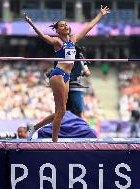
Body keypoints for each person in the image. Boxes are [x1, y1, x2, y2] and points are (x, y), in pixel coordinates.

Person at [24, 5, 110, 142]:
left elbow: (88, 27)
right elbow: (43, 36)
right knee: (61, 111)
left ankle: (34, 127)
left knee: (61, 112)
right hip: (58, 74)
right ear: (57, 30)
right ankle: (54, 141)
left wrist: (100, 14)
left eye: (66, 25)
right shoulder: (57, 41)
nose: (66, 27)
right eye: (62, 26)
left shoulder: (73, 40)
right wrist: (31, 23)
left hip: (67, 77)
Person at [66, 44, 90, 118]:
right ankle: (81, 127)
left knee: (66, 111)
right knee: (79, 111)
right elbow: (87, 73)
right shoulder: (80, 57)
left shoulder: (62, 55)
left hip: (64, 86)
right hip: (75, 87)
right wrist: (81, 73)